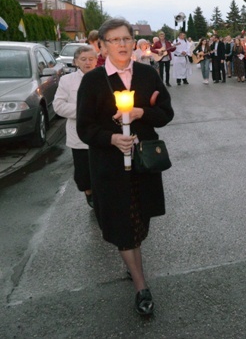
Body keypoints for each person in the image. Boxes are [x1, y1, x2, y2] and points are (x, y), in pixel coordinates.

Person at [77, 18, 174, 316]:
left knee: (138, 222)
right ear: (102, 46)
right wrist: (112, 138)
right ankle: (141, 286)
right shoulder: (93, 81)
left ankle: (130, 261)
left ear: (134, 42)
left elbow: (166, 114)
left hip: (144, 163)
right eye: (114, 40)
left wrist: (142, 110)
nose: (121, 44)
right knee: (124, 225)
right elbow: (85, 129)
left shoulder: (147, 74)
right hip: (109, 167)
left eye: (126, 39)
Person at [53, 45, 98, 208]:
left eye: (91, 59)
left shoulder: (104, 78)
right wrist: (83, 111)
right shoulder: (67, 81)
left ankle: (103, 195)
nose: (88, 62)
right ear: (76, 62)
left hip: (102, 134)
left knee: (102, 169)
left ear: (96, 60)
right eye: (83, 59)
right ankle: (89, 193)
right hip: (79, 135)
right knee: (83, 172)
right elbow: (58, 106)